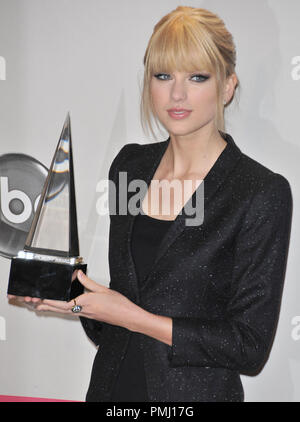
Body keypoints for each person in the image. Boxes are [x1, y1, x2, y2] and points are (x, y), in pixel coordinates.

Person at [9, 6, 293, 402]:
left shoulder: (260, 191)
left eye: (197, 77)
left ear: (227, 86)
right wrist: (71, 303)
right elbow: (122, 315)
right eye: (163, 76)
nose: (177, 93)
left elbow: (248, 346)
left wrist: (134, 317)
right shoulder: (131, 166)